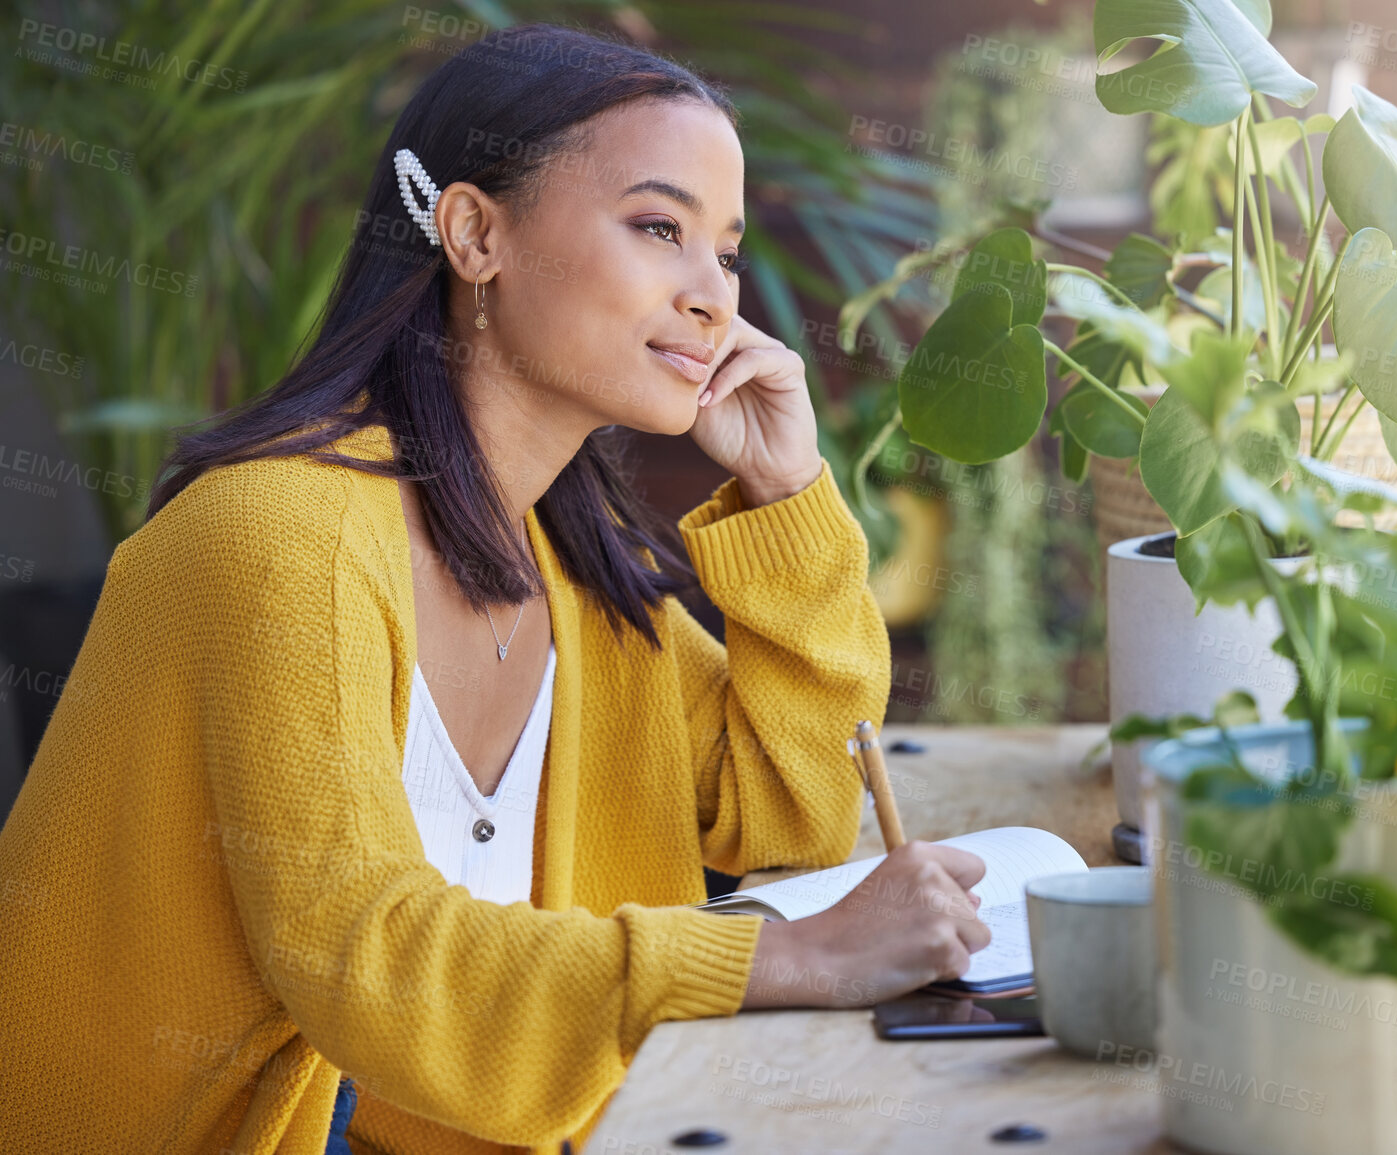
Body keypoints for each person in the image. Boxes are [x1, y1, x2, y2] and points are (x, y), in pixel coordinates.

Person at [0, 23, 990, 1154]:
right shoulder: (279, 535)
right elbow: (358, 951)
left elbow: (787, 817)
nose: (714, 296)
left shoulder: (579, 580)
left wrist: (787, 493)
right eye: (658, 227)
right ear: (476, 233)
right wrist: (793, 957)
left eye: (723, 250)